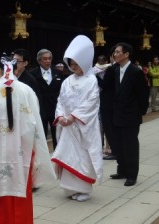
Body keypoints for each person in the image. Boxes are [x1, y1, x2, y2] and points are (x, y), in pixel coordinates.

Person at [0, 57, 56, 224]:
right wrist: (35, 150)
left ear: (0, 71)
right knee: (19, 182)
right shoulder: (26, 91)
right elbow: (35, 126)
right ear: (16, 70)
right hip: (21, 151)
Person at [51, 35, 103, 202]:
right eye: (71, 64)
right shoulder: (67, 81)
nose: (74, 67)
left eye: (77, 64)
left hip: (81, 126)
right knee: (68, 154)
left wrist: (73, 118)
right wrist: (60, 117)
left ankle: (83, 189)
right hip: (66, 126)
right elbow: (60, 100)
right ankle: (69, 189)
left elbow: (92, 102)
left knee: (82, 156)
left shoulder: (91, 80)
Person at [110, 42, 149, 187]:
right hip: (118, 113)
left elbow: (143, 95)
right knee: (119, 144)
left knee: (130, 145)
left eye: (118, 52)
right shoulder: (115, 70)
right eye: (115, 52)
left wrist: (139, 113)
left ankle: (132, 174)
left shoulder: (135, 71)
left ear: (126, 54)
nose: (115, 54)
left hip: (131, 115)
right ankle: (122, 170)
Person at [29, 49, 64, 150]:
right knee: (41, 135)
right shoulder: (32, 74)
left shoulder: (58, 73)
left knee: (58, 136)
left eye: (49, 59)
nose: (48, 61)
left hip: (55, 109)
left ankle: (58, 159)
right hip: (40, 109)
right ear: (39, 60)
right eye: (45, 59)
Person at [96, 50, 119, 160]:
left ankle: (115, 150)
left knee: (108, 127)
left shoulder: (111, 69)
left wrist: (95, 77)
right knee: (113, 127)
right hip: (115, 101)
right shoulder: (118, 68)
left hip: (107, 102)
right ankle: (116, 149)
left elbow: (104, 85)